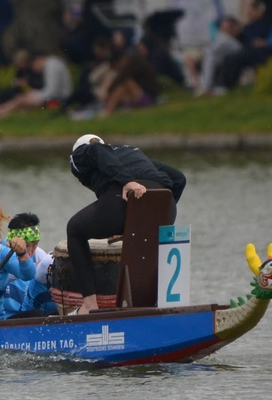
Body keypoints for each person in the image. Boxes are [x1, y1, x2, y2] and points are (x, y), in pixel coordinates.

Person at [66, 134, 186, 314]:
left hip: (125, 201)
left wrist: (128, 182)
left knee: (74, 230)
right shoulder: (131, 153)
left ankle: (89, 305)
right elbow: (178, 178)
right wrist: (156, 213)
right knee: (145, 248)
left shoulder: (82, 154)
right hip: (165, 204)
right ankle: (152, 305)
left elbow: (96, 149)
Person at [0, 52, 74, 118]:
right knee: (23, 101)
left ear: (38, 60)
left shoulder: (52, 67)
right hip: (55, 96)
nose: (34, 68)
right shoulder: (52, 64)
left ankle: (1, 111)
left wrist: (35, 94)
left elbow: (52, 91)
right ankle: (3, 111)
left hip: (60, 99)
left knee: (22, 99)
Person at [102, 40, 160, 116]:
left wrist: (108, 93)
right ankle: (108, 109)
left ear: (119, 61)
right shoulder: (131, 61)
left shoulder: (132, 62)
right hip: (140, 95)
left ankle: (108, 112)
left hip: (148, 99)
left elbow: (120, 79)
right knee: (113, 82)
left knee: (125, 82)